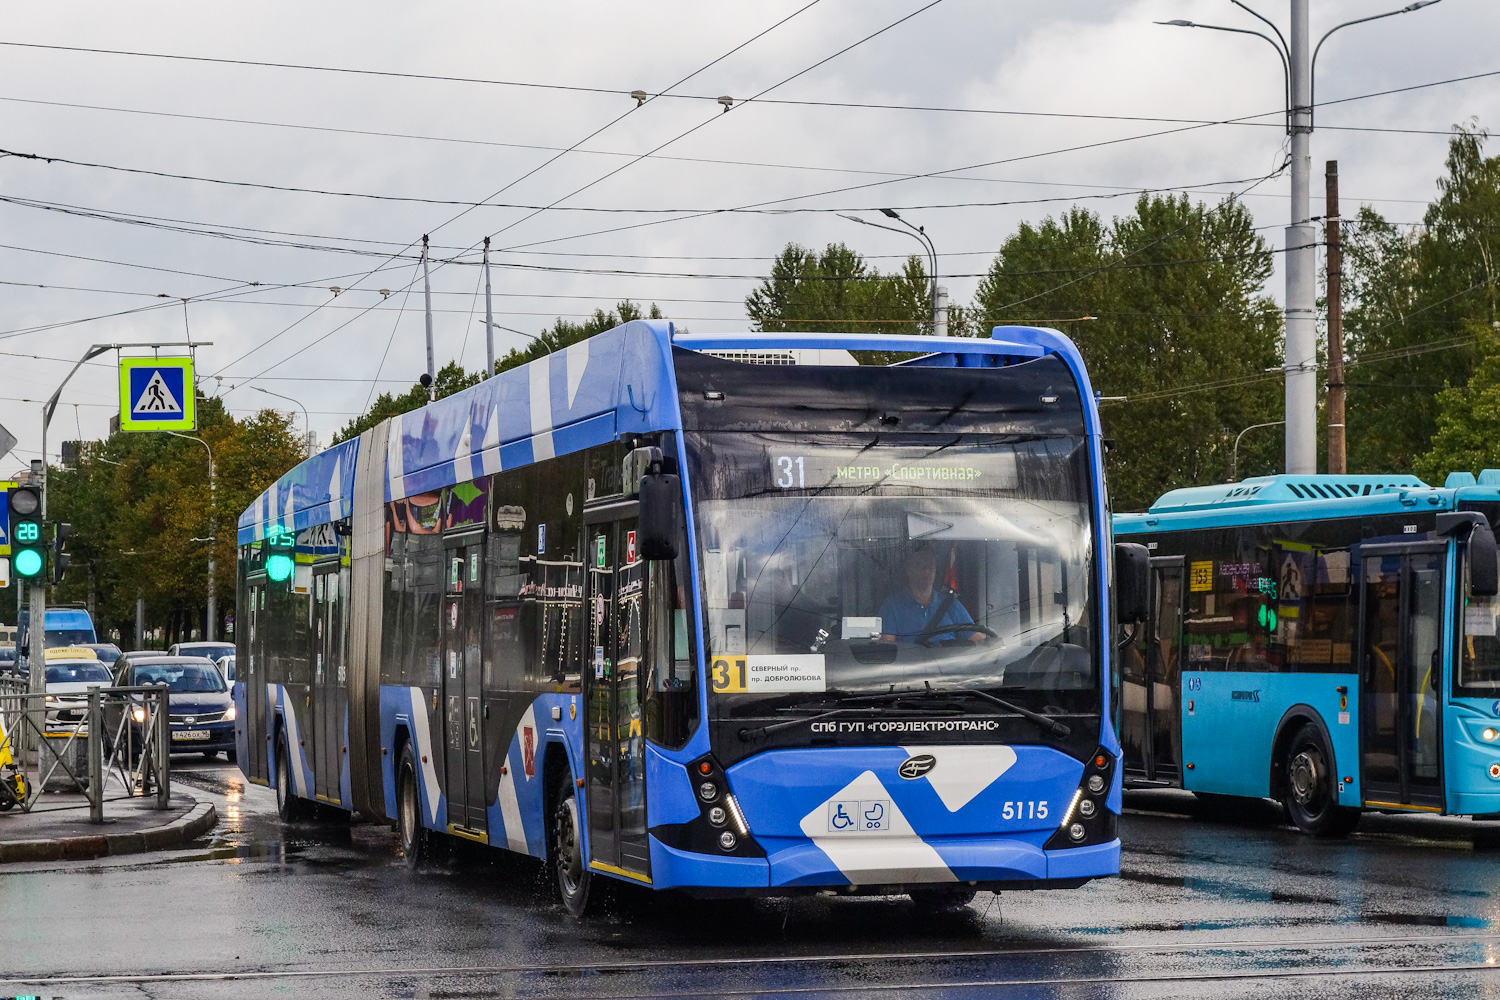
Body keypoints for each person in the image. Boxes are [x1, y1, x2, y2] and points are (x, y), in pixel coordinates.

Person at [878, 546, 985, 644]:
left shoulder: (951, 604)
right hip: (912, 663)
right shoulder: (892, 606)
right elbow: (888, 647)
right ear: (908, 570)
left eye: (930, 567)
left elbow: (977, 638)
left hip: (950, 663)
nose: (926, 571)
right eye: (920, 566)